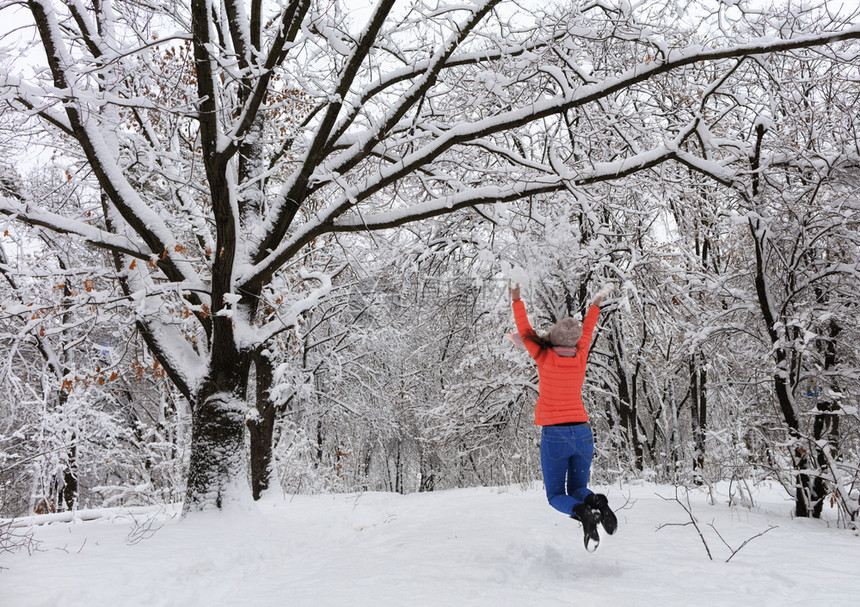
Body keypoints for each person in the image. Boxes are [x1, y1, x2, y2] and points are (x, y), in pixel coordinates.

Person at [509, 282, 617, 552]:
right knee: (580, 488)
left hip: (555, 436)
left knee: (557, 494)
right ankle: (597, 504)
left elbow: (525, 331)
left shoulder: (544, 356)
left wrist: (516, 297)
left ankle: (583, 514)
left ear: (553, 338)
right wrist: (597, 301)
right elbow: (589, 329)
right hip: (582, 433)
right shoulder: (580, 356)